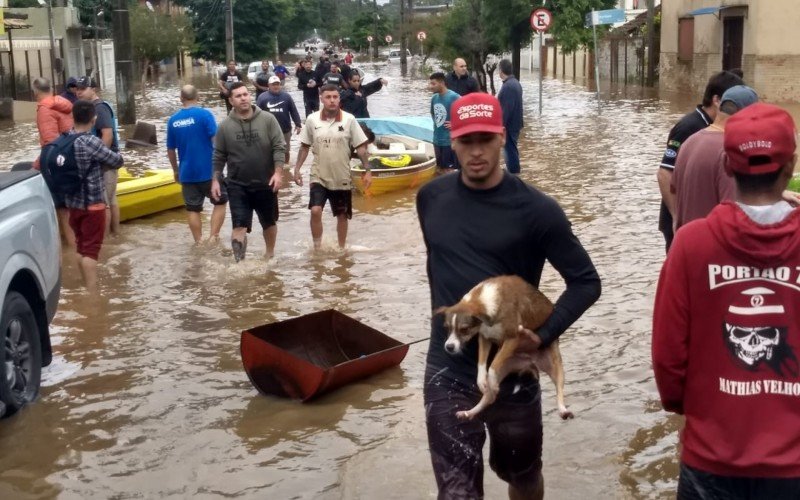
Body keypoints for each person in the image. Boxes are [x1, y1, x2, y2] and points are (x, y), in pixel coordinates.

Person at [417, 92, 601, 499]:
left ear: (503, 136)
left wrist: (545, 332)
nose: (476, 151)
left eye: (486, 139)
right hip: (447, 371)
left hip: (514, 369)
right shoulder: (430, 198)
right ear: (452, 139)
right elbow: (439, 265)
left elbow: (586, 281)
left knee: (523, 477)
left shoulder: (538, 210)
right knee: (457, 492)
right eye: (467, 141)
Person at [652, 102, 800, 499]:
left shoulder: (690, 244)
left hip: (711, 460)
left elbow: (668, 358)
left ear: (729, 167)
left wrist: (699, 410)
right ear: (791, 167)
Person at [656, 70, 743, 252]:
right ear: (717, 100)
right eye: (733, 104)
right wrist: (676, 216)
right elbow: (664, 173)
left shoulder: (714, 128)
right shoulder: (689, 127)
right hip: (681, 221)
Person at [211, 82, 285, 262]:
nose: (243, 98)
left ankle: (269, 254)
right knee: (239, 226)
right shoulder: (225, 126)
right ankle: (239, 264)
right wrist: (215, 180)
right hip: (237, 185)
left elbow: (279, 147)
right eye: (238, 96)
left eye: (245, 94)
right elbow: (219, 155)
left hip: (265, 182)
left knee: (268, 222)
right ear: (231, 100)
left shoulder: (267, 119)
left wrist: (278, 172)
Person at [293, 84, 372, 250]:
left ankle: (342, 249)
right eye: (328, 97)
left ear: (339, 99)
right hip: (318, 175)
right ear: (321, 98)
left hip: (342, 176)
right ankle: (317, 249)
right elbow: (304, 146)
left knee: (342, 215)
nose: (332, 101)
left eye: (335, 97)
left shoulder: (349, 120)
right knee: (315, 210)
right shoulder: (312, 120)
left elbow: (361, 148)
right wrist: (297, 169)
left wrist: (368, 171)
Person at [672, 85, 758, 232]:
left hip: (686, 245)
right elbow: (733, 213)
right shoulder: (730, 151)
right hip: (716, 248)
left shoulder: (689, 142)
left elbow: (674, 189)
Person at [64, 100, 124, 292]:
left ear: (73, 117)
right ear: (93, 119)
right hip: (93, 205)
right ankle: (92, 293)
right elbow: (117, 160)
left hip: (73, 204)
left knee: (81, 246)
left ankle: (83, 284)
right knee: (91, 251)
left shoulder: (65, 139)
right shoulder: (91, 142)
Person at [166, 84, 228, 244]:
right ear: (198, 96)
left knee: (193, 209)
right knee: (220, 202)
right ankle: (213, 236)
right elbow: (216, 141)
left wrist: (175, 171)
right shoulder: (205, 115)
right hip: (209, 170)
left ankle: (198, 241)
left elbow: (171, 150)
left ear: (181, 98)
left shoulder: (173, 120)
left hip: (187, 172)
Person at [75, 76, 122, 237]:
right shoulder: (93, 107)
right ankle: (116, 235)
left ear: (93, 89)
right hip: (107, 160)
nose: (79, 92)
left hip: (105, 163)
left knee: (104, 203)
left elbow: (107, 135)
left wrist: (98, 158)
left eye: (83, 88)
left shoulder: (99, 108)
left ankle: (106, 239)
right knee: (111, 200)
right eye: (77, 89)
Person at [33, 76, 76, 249]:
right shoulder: (63, 103)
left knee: (61, 209)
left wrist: (38, 163)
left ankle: (72, 252)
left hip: (55, 161)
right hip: (70, 156)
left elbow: (50, 141)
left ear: (35, 92)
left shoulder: (44, 109)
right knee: (71, 205)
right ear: (51, 88)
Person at [256, 75, 302, 165]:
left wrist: (298, 124)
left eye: (277, 84)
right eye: (273, 84)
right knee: (269, 151)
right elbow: (256, 114)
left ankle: (286, 167)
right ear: (268, 85)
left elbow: (293, 110)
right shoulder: (262, 97)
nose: (276, 86)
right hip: (268, 130)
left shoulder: (287, 96)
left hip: (285, 130)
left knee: (286, 150)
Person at [429, 72, 461, 170]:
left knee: (450, 170)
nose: (430, 86)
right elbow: (433, 113)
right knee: (439, 169)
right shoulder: (434, 98)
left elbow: (467, 113)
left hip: (450, 141)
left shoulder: (454, 97)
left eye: (433, 84)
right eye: (430, 83)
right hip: (437, 140)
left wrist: (455, 124)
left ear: (442, 83)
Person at [497, 59, 523, 174]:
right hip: (515, 123)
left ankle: (514, 174)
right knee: (511, 149)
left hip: (510, 125)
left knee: (510, 150)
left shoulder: (508, 86)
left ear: (501, 71)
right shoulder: (514, 83)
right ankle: (513, 171)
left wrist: (500, 126)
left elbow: (507, 109)